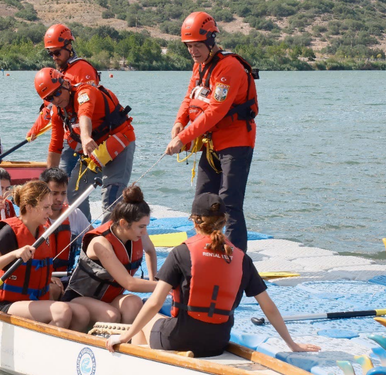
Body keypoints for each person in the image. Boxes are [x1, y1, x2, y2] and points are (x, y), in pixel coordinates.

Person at [105, 193, 321, 357]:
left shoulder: (182, 252)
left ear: (194, 221)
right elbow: (269, 307)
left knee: (145, 320)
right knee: (160, 320)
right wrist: (292, 345)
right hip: (217, 341)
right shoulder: (241, 258)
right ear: (224, 221)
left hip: (181, 337)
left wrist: (124, 336)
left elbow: (154, 303)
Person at [164, 12, 258, 252]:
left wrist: (183, 138)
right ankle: (204, 250)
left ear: (210, 40)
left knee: (230, 202)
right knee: (202, 201)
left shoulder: (229, 68)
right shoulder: (200, 65)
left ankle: (236, 260)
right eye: (189, 46)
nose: (193, 51)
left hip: (236, 141)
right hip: (211, 142)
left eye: (197, 46)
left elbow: (215, 111)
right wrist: (178, 123)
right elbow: (190, 97)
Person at [0, 180, 90, 331]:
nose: (50, 212)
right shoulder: (9, 232)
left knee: (82, 314)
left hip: (32, 301)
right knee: (62, 311)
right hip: (4, 304)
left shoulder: (43, 232)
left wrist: (48, 276)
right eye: (46, 208)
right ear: (29, 207)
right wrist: (13, 254)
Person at [34, 67, 135, 222]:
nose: (56, 99)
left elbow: (84, 114)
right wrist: (47, 181)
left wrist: (86, 137)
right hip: (95, 150)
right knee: (72, 191)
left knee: (111, 197)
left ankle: (109, 238)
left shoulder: (84, 93)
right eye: (51, 98)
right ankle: (84, 232)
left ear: (65, 84)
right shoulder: (57, 111)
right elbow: (55, 145)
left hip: (119, 142)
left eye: (58, 93)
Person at [63, 185, 157, 325]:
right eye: (141, 226)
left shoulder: (138, 232)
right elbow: (129, 283)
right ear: (124, 223)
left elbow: (150, 251)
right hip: (79, 298)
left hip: (109, 299)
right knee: (111, 316)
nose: (144, 232)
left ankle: (125, 342)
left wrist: (153, 279)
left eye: (146, 226)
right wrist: (163, 286)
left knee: (134, 303)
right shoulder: (101, 243)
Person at [27, 24, 100, 176]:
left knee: (70, 181)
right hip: (70, 134)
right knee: (59, 178)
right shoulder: (60, 72)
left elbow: (87, 105)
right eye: (51, 54)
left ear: (69, 46)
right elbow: (50, 107)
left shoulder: (83, 70)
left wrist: (85, 137)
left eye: (57, 52)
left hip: (86, 136)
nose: (54, 57)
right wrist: (36, 129)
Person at [39, 168, 90, 274]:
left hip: (67, 276)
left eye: (63, 193)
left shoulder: (75, 214)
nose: (59, 198)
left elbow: (94, 238)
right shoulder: (35, 217)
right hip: (42, 278)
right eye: (54, 193)